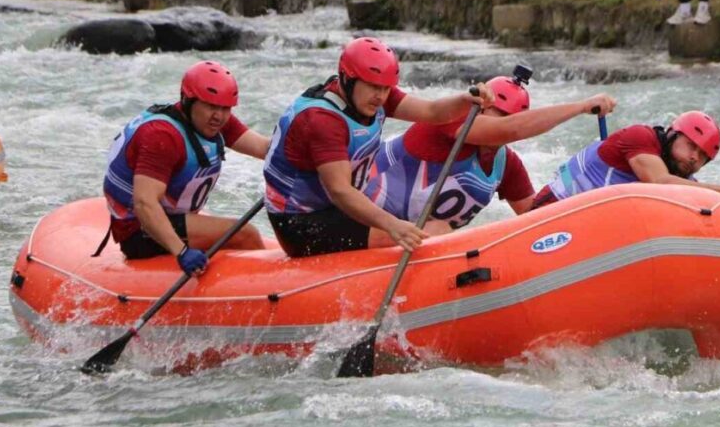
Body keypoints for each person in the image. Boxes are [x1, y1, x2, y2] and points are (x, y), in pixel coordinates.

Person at [263, 37, 494, 258]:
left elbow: (431, 112)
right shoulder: (323, 120)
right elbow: (340, 191)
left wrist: (464, 101)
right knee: (432, 232)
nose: (380, 96)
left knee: (437, 227)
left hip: (336, 209)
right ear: (347, 78)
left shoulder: (372, 95)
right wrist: (392, 226)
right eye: (374, 87)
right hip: (300, 223)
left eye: (386, 88)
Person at [365, 66, 617, 230]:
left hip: (411, 240)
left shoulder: (506, 164)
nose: (501, 124)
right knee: (438, 229)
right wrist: (581, 106)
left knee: (438, 230)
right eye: (500, 115)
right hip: (365, 220)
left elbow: (535, 217)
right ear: (481, 108)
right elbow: (511, 129)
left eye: (510, 116)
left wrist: (590, 205)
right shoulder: (451, 120)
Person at [102, 61, 271, 275]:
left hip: (170, 218)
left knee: (238, 234)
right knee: (246, 234)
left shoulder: (212, 121)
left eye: (225, 108)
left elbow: (264, 148)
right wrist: (181, 252)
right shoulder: (162, 137)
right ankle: (262, 291)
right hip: (140, 230)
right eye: (211, 106)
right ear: (188, 101)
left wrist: (303, 149)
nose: (219, 116)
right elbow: (144, 204)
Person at [531, 111, 720, 208]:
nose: (694, 157)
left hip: (582, 223)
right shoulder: (640, 137)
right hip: (547, 210)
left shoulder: (685, 181)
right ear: (673, 135)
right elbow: (659, 183)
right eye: (691, 145)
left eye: (703, 156)